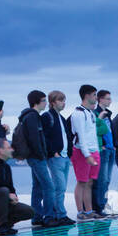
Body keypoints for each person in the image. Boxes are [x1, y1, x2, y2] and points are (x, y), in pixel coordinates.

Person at [19, 89, 52, 225]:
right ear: (36, 102)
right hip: (37, 157)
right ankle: (49, 217)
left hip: (34, 157)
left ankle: (37, 216)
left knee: (37, 187)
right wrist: (41, 155)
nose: (46, 103)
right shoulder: (32, 117)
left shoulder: (30, 116)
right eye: (44, 100)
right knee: (49, 186)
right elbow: (34, 139)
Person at [41, 90, 74, 225]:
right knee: (59, 186)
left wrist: (69, 153)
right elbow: (45, 136)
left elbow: (67, 136)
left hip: (65, 156)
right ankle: (60, 214)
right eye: (61, 100)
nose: (63, 103)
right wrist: (53, 152)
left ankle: (57, 213)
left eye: (64, 100)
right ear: (53, 102)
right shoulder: (47, 116)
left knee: (62, 187)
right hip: (56, 157)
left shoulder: (61, 118)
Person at [69, 84, 101, 219]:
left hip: (94, 150)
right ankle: (80, 211)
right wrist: (87, 155)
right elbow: (81, 136)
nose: (96, 97)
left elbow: (92, 135)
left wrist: (95, 152)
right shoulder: (78, 113)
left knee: (89, 182)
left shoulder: (90, 113)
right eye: (94, 95)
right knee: (81, 181)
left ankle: (89, 210)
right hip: (81, 152)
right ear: (87, 96)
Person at [93, 90, 116, 215]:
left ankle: (103, 204)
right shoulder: (96, 113)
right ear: (100, 99)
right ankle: (98, 206)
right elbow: (94, 129)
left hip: (110, 149)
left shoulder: (108, 114)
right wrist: (101, 145)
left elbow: (110, 131)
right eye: (107, 99)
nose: (110, 101)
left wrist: (114, 146)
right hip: (103, 150)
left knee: (107, 180)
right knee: (101, 179)